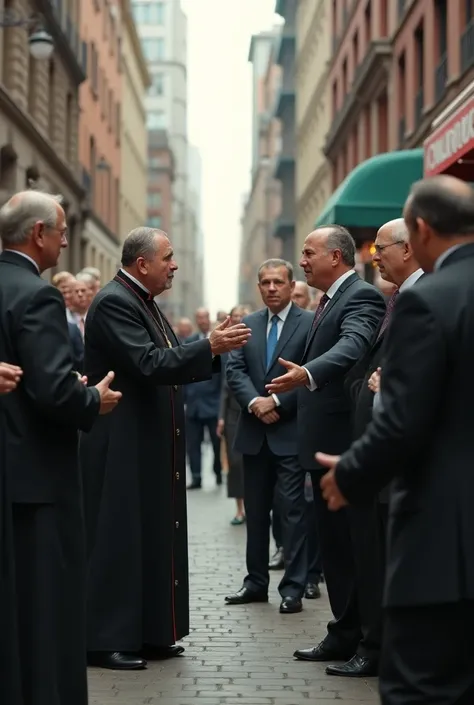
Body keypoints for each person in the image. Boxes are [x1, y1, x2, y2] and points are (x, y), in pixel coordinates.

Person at [318, 175, 474, 704]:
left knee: (420, 683)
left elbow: (403, 420)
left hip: (444, 530)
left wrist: (351, 472)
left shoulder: (428, 299)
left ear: (423, 231)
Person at [80, 227, 251, 671]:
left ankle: (152, 632)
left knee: (152, 535)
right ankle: (105, 640)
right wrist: (208, 346)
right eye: (168, 258)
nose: (175, 265)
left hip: (147, 442)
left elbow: (171, 357)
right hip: (121, 442)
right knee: (120, 539)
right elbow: (148, 363)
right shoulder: (116, 301)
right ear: (142, 265)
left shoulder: (144, 302)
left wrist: (207, 347)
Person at [0, 190, 121, 705]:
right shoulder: (38, 295)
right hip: (35, 479)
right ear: (38, 234)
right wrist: (93, 398)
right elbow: (51, 388)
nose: (68, 237)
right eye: (62, 227)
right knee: (43, 603)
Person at [266, 226, 385, 663]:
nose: (302, 260)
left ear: (335, 257)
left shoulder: (361, 296)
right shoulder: (329, 299)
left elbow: (353, 345)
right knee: (334, 549)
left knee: (350, 549)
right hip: (319, 443)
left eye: (308, 253)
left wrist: (306, 373)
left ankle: (360, 637)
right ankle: (343, 631)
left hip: (340, 444)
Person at [333, 218, 424, 677]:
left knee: (384, 557)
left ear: (407, 249)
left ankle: (379, 648)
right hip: (376, 451)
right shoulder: (398, 298)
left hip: (396, 460)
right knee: (372, 554)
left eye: (380, 248)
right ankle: (374, 643)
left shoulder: (426, 298)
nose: (374, 256)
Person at [225, 259, 314, 614]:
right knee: (257, 512)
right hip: (254, 433)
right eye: (266, 282)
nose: (272, 288)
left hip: (289, 432)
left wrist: (275, 401)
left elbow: (312, 373)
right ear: (259, 287)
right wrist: (254, 404)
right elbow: (235, 371)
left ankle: (293, 587)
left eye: (279, 282)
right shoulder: (247, 325)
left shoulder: (309, 325)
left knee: (292, 512)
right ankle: (255, 583)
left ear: (292, 286)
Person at [184, 308, 222, 489]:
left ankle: (218, 471)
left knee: (216, 443)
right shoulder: (189, 342)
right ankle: (196, 477)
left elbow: (222, 376)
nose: (202, 321)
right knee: (193, 444)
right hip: (193, 404)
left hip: (213, 403)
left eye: (204, 317)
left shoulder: (218, 343)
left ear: (209, 319)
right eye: (198, 318)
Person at [217, 305, 248, 524]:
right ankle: (239, 509)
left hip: (257, 410)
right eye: (235, 316)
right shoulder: (225, 346)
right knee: (235, 463)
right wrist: (220, 416)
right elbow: (224, 386)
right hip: (233, 413)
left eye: (242, 317)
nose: (238, 320)